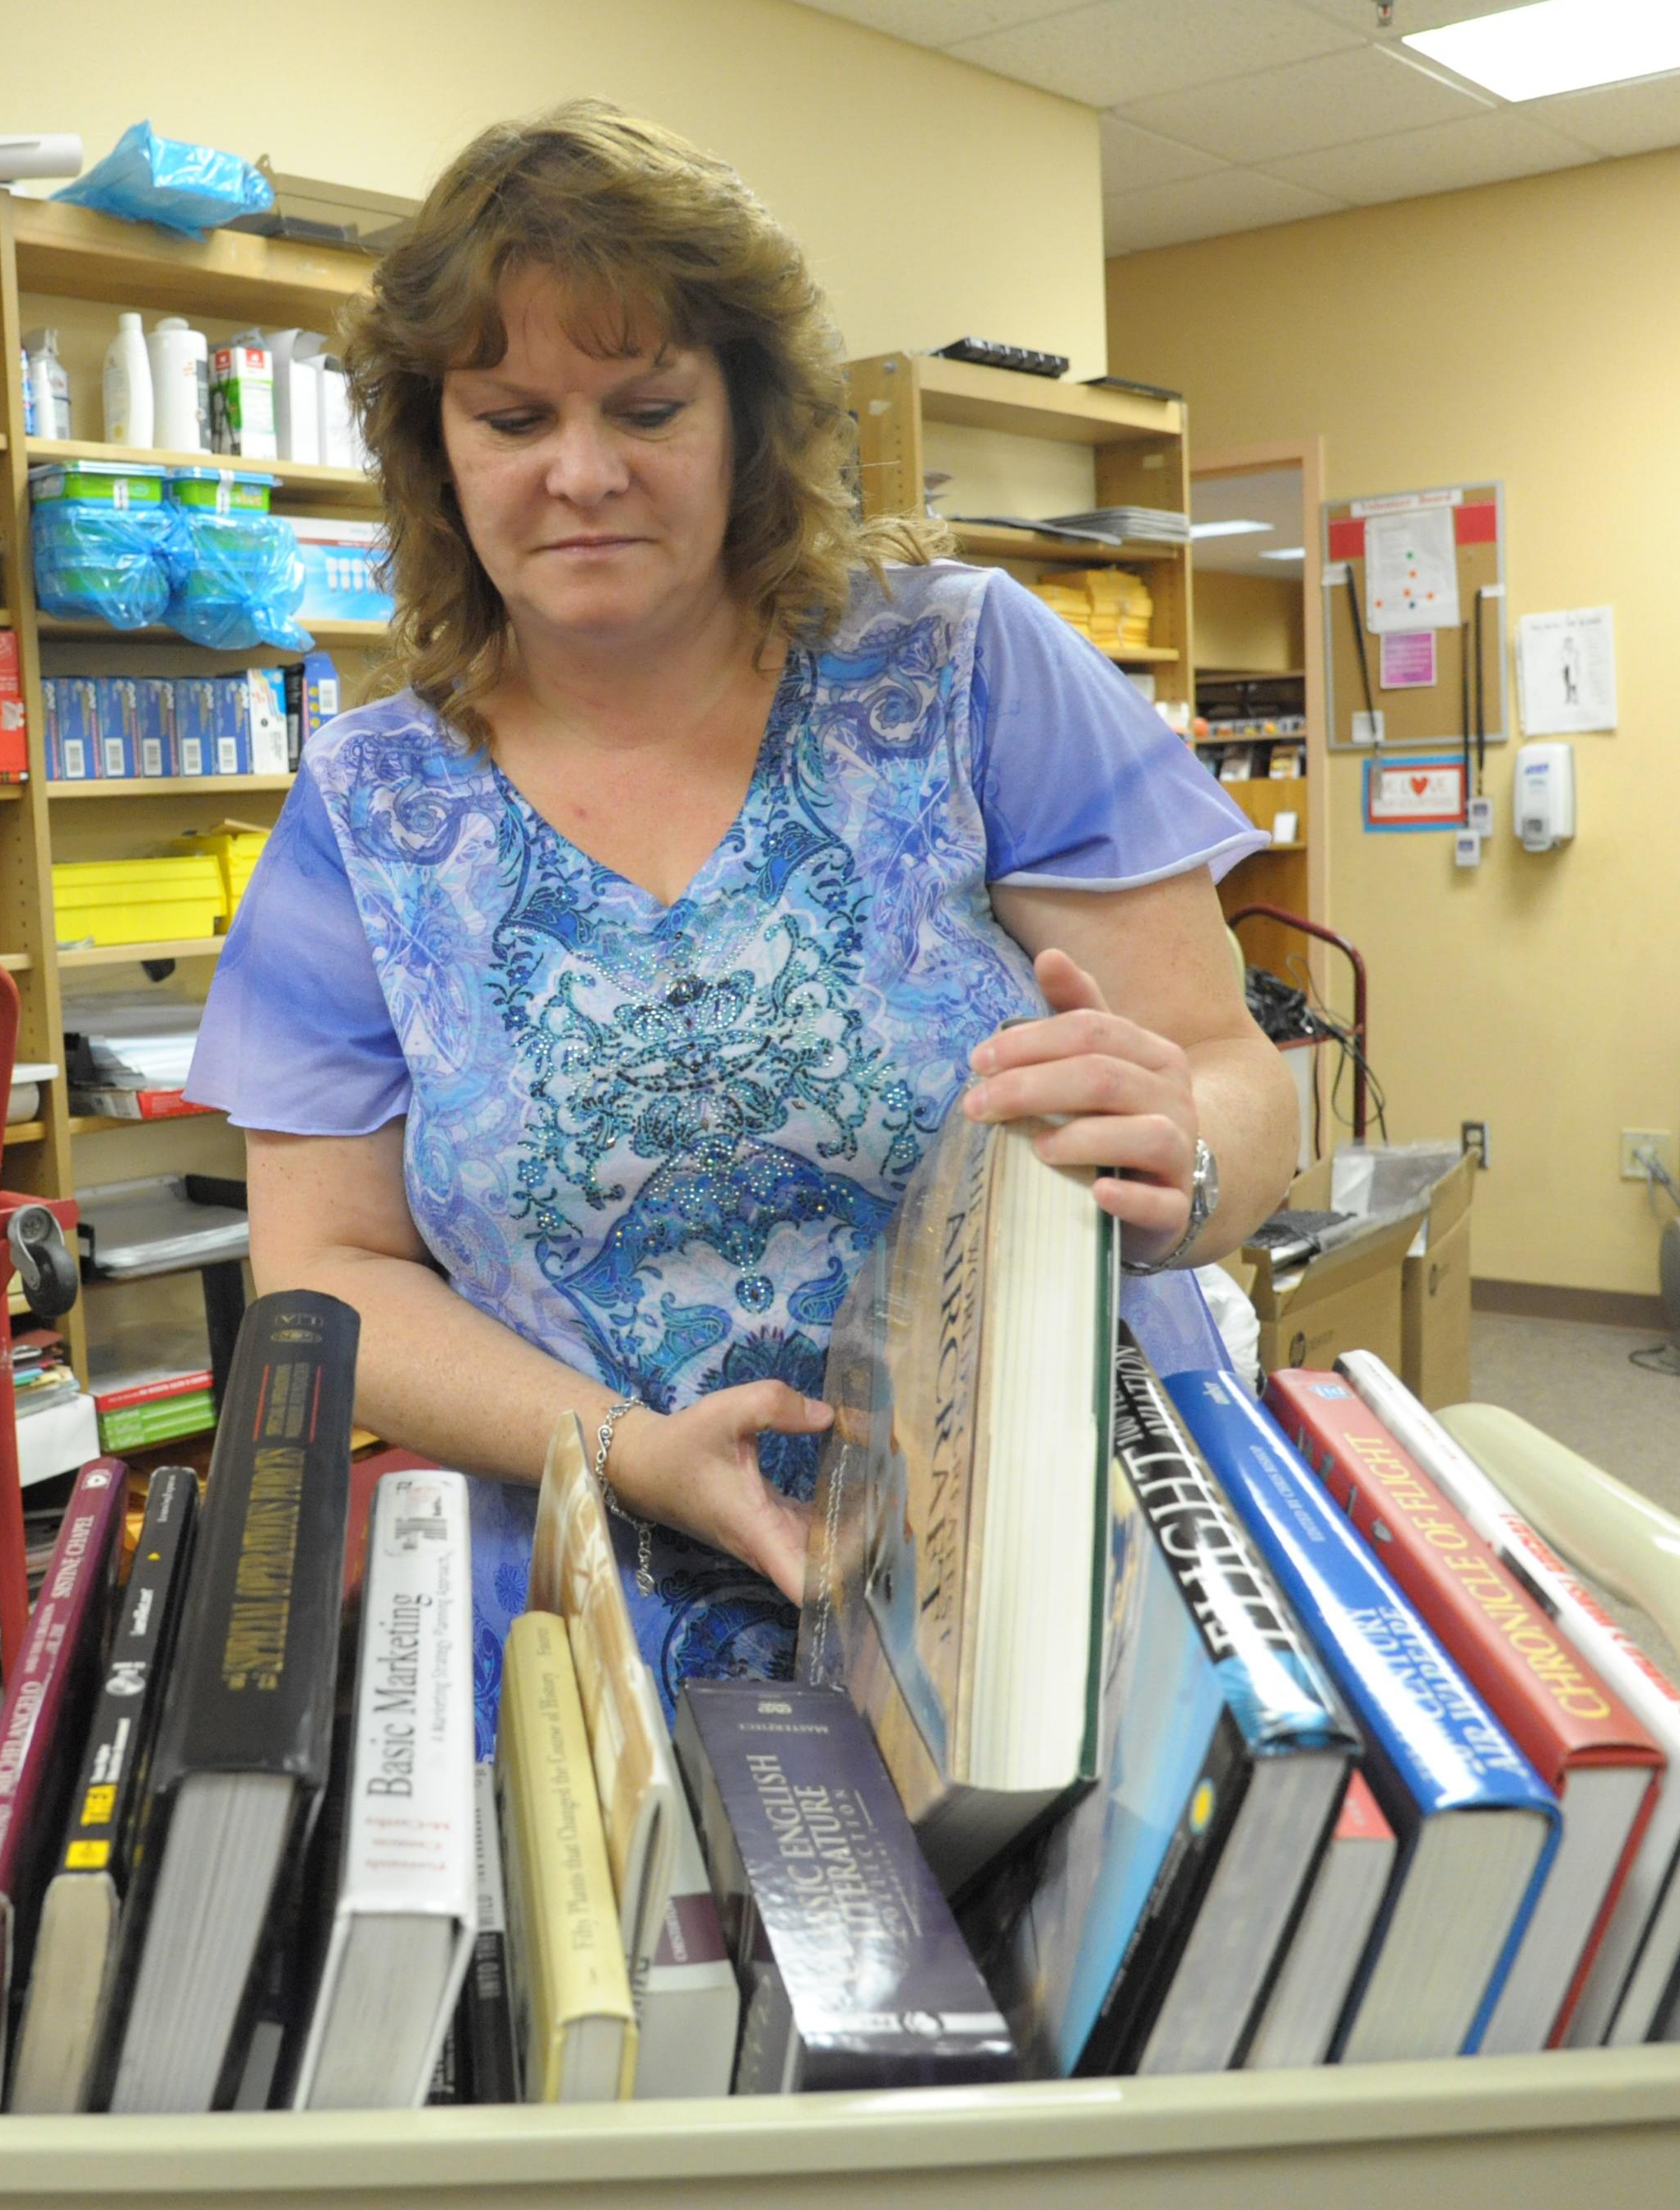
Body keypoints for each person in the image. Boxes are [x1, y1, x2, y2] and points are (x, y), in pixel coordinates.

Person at [184, 102, 1295, 1731]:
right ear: (437, 452)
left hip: (1049, 1563)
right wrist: (627, 1452)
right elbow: (324, 1269)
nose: (581, 473)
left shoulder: (962, 669)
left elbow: (1235, 1076)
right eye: (510, 416)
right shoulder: (369, 809)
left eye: (646, 406)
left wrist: (1183, 1160)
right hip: (612, 1605)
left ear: (749, 418)